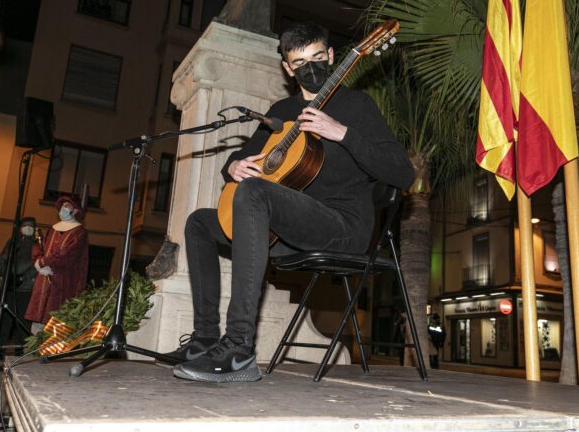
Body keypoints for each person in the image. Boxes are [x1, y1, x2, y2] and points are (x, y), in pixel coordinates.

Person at [167, 22, 414, 383]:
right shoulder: (281, 110)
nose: (310, 68)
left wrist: (341, 133)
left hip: (343, 227)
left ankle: (239, 348)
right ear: (287, 67)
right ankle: (205, 339)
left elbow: (403, 174)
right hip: (289, 229)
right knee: (200, 223)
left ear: (331, 57)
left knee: (255, 193)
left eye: (317, 58)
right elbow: (244, 159)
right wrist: (232, 165)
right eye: (299, 63)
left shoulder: (356, 105)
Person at [25, 196, 89, 330]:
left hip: (62, 283)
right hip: (43, 281)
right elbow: (41, 247)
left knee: (54, 324)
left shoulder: (79, 232)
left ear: (76, 211)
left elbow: (67, 256)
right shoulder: (52, 229)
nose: (62, 209)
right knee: (37, 325)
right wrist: (38, 262)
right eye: (62, 206)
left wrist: (44, 262)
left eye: (67, 206)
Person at [0, 217, 38, 353]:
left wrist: (22, 277)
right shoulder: (12, 242)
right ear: (20, 228)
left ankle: (20, 350)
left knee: (23, 320)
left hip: (25, 289)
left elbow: (36, 265)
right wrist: (8, 275)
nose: (27, 228)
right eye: (25, 225)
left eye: (31, 226)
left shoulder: (37, 245)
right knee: (4, 319)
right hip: (7, 287)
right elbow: (1, 260)